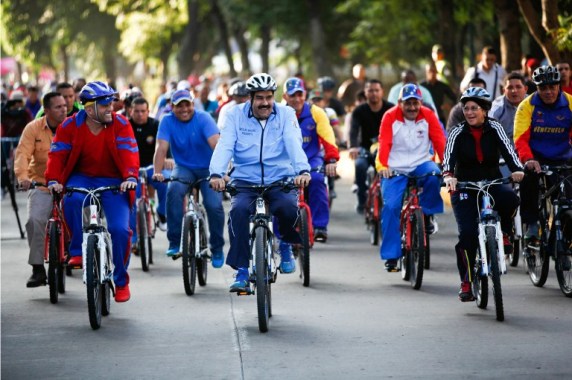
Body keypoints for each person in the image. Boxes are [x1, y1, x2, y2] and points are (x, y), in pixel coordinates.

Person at [209, 73, 311, 292]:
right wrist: (217, 174)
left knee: (287, 208)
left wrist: (302, 170)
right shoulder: (235, 115)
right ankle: (242, 271)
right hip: (245, 178)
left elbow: (294, 143)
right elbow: (225, 145)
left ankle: (284, 245)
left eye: (269, 97)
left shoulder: (286, 114)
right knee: (237, 213)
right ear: (251, 98)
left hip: (279, 177)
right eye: (260, 98)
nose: (265, 103)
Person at [45, 81, 139, 302]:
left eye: (111, 103)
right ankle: (77, 249)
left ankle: (121, 280)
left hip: (115, 181)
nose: (111, 108)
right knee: (71, 200)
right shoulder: (69, 126)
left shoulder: (121, 123)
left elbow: (129, 152)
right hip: (82, 178)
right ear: (89, 109)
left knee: (119, 230)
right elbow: (57, 155)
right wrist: (54, 181)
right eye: (105, 104)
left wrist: (130, 177)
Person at [443, 87, 524, 302]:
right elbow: (448, 158)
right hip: (464, 186)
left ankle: (505, 233)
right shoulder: (457, 132)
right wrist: (449, 176)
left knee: (511, 199)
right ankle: (467, 281)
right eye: (466, 108)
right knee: (468, 234)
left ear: (485, 110)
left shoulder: (495, 127)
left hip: (491, 181)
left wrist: (517, 169)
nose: (469, 112)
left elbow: (509, 151)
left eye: (474, 108)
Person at [375, 84, 446, 271]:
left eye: (416, 103)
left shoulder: (429, 115)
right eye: (408, 103)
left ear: (421, 103)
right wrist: (383, 166)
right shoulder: (390, 116)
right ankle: (391, 256)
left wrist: (448, 166)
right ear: (400, 103)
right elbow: (384, 143)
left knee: (434, 175)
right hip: (395, 167)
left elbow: (440, 142)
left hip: (421, 163)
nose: (412, 107)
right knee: (391, 207)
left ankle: (428, 214)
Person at [152, 89, 225, 267]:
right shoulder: (167, 121)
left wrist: (221, 173)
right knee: (174, 190)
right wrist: (157, 171)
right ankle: (175, 241)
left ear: (193, 104)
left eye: (187, 104)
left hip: (209, 168)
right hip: (183, 168)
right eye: (179, 106)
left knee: (214, 205)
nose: (184, 109)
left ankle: (216, 248)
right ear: (172, 107)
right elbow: (161, 148)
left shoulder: (204, 118)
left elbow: (216, 145)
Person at [514, 65, 572, 250]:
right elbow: (520, 138)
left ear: (559, 86)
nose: (548, 92)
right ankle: (531, 225)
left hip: (563, 157)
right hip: (535, 158)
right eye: (542, 88)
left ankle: (564, 234)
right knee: (528, 180)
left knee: (567, 199)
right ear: (536, 88)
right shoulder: (527, 106)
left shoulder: (570, 103)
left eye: (552, 87)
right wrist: (528, 159)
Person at [14, 92, 67, 287]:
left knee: (84, 217)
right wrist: (23, 178)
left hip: (69, 185)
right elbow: (22, 155)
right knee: (34, 220)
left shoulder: (72, 127)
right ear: (46, 110)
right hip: (40, 184)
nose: (64, 109)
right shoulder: (33, 128)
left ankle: (82, 254)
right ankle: (37, 269)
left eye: (64, 106)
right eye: (58, 107)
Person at [282, 78, 339, 242]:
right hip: (286, 162)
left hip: (312, 160)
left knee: (317, 180)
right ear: (285, 96)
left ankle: (320, 226)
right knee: (278, 189)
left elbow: (328, 137)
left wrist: (332, 160)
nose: (297, 99)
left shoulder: (316, 112)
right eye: (292, 95)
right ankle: (280, 233)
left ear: (305, 94)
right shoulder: (277, 113)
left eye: (300, 94)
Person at [348, 79, 394, 214]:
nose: (374, 93)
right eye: (370, 91)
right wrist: (353, 147)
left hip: (386, 149)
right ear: (365, 93)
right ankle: (362, 200)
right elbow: (353, 131)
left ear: (382, 92)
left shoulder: (390, 109)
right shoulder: (359, 111)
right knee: (360, 165)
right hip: (365, 149)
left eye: (376, 90)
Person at [128, 97, 169, 238]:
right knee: (133, 198)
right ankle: (133, 236)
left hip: (152, 167)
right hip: (132, 171)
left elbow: (164, 144)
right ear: (130, 111)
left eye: (143, 111)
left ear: (148, 111)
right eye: (137, 111)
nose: (140, 114)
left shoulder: (155, 125)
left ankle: (162, 213)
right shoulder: (125, 126)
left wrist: (167, 159)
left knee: (165, 185)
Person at [489, 72, 528, 143]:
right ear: (504, 91)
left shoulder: (534, 104)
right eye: (510, 87)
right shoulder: (496, 110)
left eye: (518, 87)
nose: (514, 91)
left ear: (525, 89)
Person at [420, 62, 457, 126]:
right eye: (430, 71)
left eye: (434, 71)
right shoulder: (421, 86)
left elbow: (454, 97)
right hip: (424, 118)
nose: (432, 73)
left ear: (436, 72)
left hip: (439, 117)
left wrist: (449, 105)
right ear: (426, 72)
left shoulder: (442, 86)